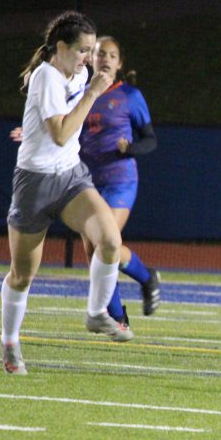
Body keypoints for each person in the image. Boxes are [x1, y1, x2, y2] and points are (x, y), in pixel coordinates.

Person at [1, 11, 133, 376]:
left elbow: (63, 139)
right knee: (22, 274)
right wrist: (93, 94)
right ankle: (10, 341)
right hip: (35, 182)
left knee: (109, 239)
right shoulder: (47, 75)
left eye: (92, 50)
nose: (89, 58)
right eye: (83, 51)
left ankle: (96, 313)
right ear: (60, 48)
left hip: (71, 176)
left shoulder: (81, 72)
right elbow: (59, 133)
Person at [78, 35, 161, 326]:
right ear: (91, 58)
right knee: (92, 251)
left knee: (105, 244)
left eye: (112, 55)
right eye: (100, 53)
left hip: (119, 180)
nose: (105, 59)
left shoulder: (129, 96)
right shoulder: (79, 91)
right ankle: (141, 282)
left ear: (119, 63)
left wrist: (131, 148)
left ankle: (118, 316)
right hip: (85, 181)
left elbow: (150, 140)